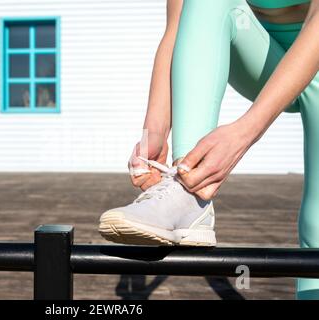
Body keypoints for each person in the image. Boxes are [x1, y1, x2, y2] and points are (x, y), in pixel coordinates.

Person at [98, 0, 319, 299]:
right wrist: (154, 132)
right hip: (265, 57)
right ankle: (188, 190)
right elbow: (177, 30)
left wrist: (245, 132)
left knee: (316, 223)